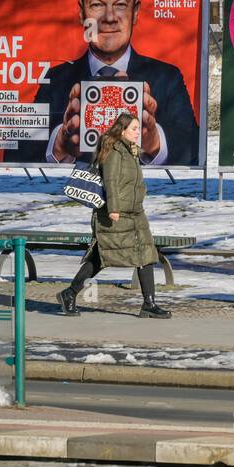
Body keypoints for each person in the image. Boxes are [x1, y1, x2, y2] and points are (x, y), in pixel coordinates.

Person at [9, 0, 199, 166]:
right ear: (82, 13)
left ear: (135, 12)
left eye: (120, 5)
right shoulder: (56, 79)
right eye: (97, 5)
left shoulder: (167, 77)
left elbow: (193, 150)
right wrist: (60, 143)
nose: (109, 18)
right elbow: (16, 156)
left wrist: (153, 142)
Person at [57, 112, 169, 318]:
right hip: (116, 214)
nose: (138, 133)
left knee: (145, 254)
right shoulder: (115, 151)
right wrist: (114, 209)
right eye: (134, 129)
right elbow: (111, 182)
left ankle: (149, 304)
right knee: (101, 257)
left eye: (138, 129)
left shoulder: (130, 151)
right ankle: (69, 293)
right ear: (122, 130)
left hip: (135, 213)